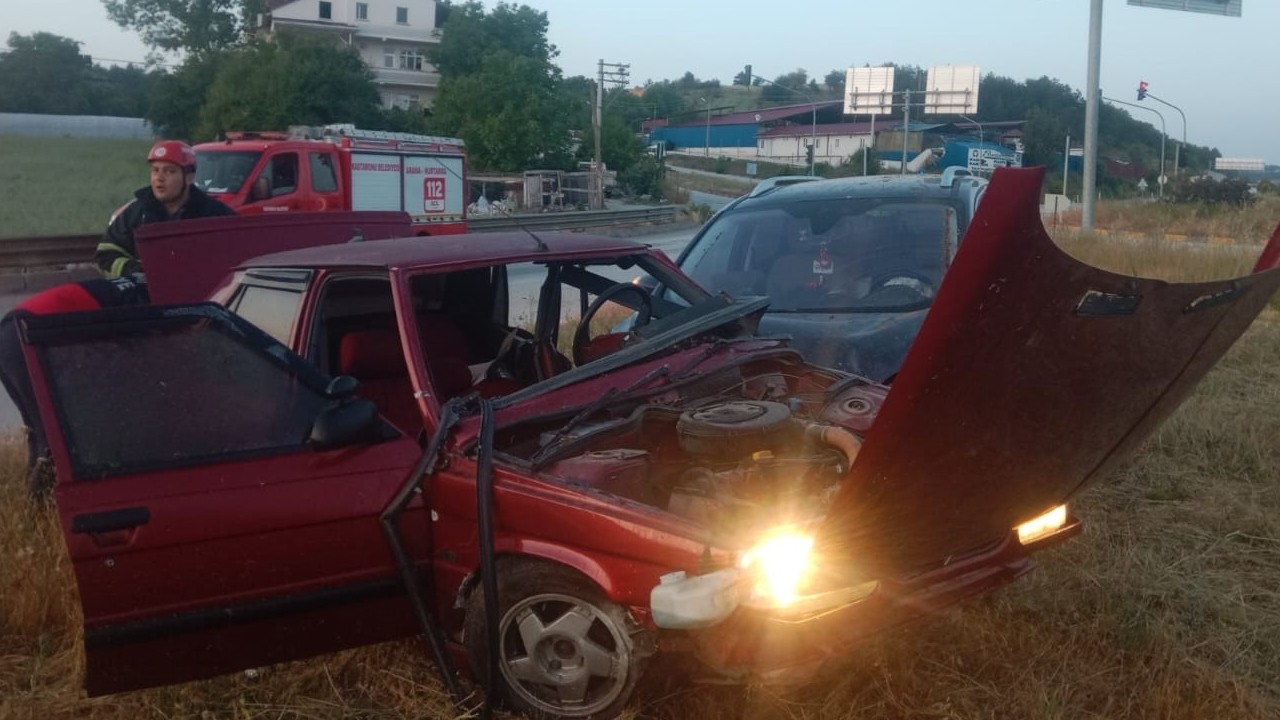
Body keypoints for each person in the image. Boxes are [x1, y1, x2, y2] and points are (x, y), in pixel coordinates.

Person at [0, 276, 151, 498]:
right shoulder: (144, 297)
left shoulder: (131, 287)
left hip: (11, 331)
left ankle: (36, 511)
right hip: (33, 332)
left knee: (39, 431)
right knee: (56, 433)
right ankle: (44, 506)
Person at [95, 140, 235, 279]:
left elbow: (239, 257)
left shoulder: (215, 215)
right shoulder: (137, 212)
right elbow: (106, 252)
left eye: (169, 171)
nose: (159, 178)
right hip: (146, 296)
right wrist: (136, 271)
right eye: (155, 170)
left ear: (189, 177)